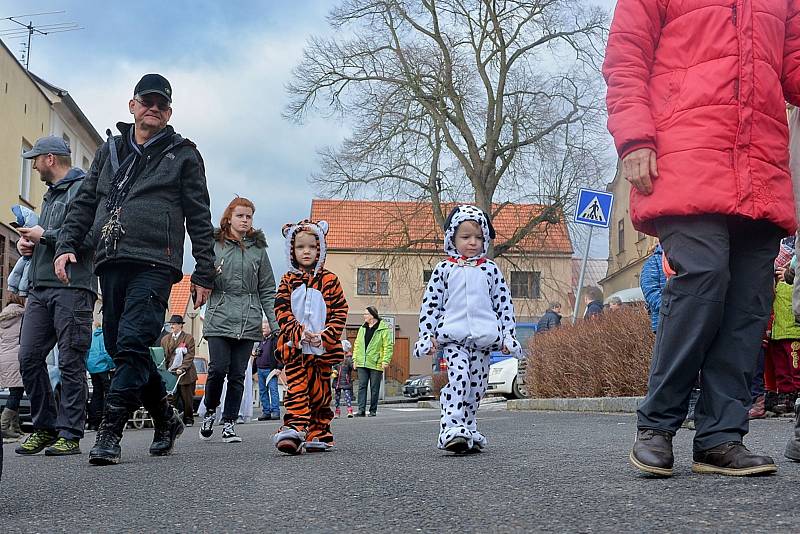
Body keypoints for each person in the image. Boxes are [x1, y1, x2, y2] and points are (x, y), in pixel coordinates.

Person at [604, 2, 800, 477]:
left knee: (749, 303)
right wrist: (634, 139)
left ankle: (720, 437)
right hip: (685, 155)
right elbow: (626, 56)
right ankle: (657, 424)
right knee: (703, 274)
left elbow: (793, 69)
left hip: (760, 165)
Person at [54, 73, 216, 465]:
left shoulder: (183, 154)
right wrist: (66, 245)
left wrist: (205, 271)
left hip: (156, 262)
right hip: (110, 259)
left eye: (162, 104)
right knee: (116, 347)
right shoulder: (109, 150)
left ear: (169, 112)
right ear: (133, 105)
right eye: (148, 101)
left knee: (129, 343)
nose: (154, 108)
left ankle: (110, 434)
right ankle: (165, 418)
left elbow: (199, 213)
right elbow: (85, 203)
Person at [12, 135, 96, 457]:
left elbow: (89, 239)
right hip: (41, 287)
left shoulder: (85, 189)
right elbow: (50, 241)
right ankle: (44, 427)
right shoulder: (49, 197)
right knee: (29, 357)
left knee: (71, 360)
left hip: (73, 287)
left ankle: (70, 433)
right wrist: (29, 246)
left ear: (50, 159)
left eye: (35, 159)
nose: (33, 166)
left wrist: (44, 235)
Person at [414, 205, 521, 454]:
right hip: (453, 339)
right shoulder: (444, 269)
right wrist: (427, 335)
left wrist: (507, 335)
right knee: (459, 379)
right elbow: (431, 305)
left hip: (483, 341)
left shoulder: (490, 270)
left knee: (477, 387)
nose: (472, 242)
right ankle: (451, 428)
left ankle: (468, 427)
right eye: (465, 237)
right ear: (452, 238)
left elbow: (504, 305)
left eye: (478, 237)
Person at [198, 197, 278, 443]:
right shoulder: (214, 244)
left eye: (249, 216)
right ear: (229, 218)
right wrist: (210, 275)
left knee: (237, 374)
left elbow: (267, 288)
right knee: (218, 369)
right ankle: (210, 411)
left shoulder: (258, 249)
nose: (245, 220)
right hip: (220, 314)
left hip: (249, 316)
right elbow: (200, 280)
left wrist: (275, 324)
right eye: (240, 216)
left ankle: (230, 422)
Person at [272, 219, 348, 454]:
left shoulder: (330, 280)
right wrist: (297, 331)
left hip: (321, 350)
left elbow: (340, 311)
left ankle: (319, 431)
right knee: (297, 389)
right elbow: (281, 309)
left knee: (321, 393)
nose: (306, 252)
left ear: (320, 249)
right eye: (300, 247)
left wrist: (325, 336)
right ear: (292, 251)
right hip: (295, 348)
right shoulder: (287, 280)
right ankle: (294, 429)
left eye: (312, 247)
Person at [353, 307, 394, 417]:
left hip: (376, 363)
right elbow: (357, 344)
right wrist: (355, 359)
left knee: (374, 388)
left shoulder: (383, 329)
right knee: (362, 386)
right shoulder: (362, 328)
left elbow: (388, 346)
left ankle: (372, 410)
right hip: (362, 362)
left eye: (366, 314)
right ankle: (361, 410)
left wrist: (385, 360)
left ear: (372, 315)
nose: (364, 316)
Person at [160, 315, 198, 426]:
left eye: (174, 324)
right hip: (171, 373)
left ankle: (188, 419)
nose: (172, 326)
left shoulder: (188, 338)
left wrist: (182, 368)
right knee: (172, 398)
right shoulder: (165, 339)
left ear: (181, 325)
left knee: (187, 399)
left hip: (186, 374)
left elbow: (190, 355)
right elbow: (164, 356)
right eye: (171, 324)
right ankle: (173, 419)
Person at [0, 294, 26, 441]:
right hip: (16, 357)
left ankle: (15, 428)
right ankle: (3, 427)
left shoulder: (3, 318)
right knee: (17, 393)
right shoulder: (22, 316)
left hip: (4, 358)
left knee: (14, 391)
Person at [86, 321, 115, 431]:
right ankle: (106, 419)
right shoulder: (104, 336)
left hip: (92, 368)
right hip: (103, 367)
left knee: (96, 393)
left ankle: (94, 420)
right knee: (108, 393)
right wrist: (113, 364)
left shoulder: (91, 336)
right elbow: (106, 352)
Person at [254, 321, 281, 421]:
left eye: (265, 328)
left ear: (270, 328)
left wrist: (279, 368)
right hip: (260, 369)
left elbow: (280, 353)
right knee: (262, 392)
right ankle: (266, 412)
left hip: (271, 370)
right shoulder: (261, 340)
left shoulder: (275, 339)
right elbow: (257, 355)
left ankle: (275, 412)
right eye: (263, 328)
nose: (263, 329)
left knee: (273, 391)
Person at [332, 340, 354, 418]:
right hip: (337, 381)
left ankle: (349, 410)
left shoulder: (348, 359)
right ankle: (337, 411)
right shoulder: (336, 359)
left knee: (347, 396)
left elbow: (352, 367)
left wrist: (354, 364)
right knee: (337, 398)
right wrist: (333, 371)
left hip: (346, 381)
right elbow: (333, 366)